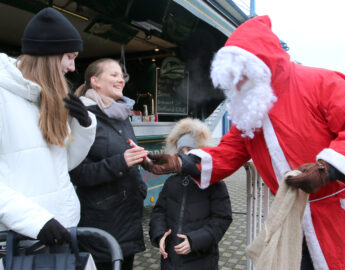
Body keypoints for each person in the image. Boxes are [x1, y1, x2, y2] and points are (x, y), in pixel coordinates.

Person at [142, 15, 345, 270]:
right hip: (295, 219)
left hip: (342, 211)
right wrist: (179, 162)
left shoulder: (319, 81)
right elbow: (228, 152)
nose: (236, 82)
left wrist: (326, 169)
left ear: (259, 65)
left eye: (240, 72)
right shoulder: (250, 110)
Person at [0, 7, 96, 246]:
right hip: (20, 241)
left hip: (60, 233)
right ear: (49, 55)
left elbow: (64, 165)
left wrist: (84, 128)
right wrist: (35, 221)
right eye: (70, 56)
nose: (73, 67)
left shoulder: (50, 101)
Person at [69, 58, 148, 270]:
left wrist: (144, 166)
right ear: (95, 81)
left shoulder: (121, 114)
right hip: (102, 223)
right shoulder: (82, 117)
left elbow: (129, 154)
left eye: (121, 75)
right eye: (113, 74)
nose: (120, 79)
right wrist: (119, 163)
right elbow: (77, 173)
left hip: (128, 218)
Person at [149, 118, 232, 270]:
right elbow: (159, 212)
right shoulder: (171, 182)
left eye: (190, 150)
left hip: (201, 259)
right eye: (181, 152)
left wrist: (195, 240)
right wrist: (160, 235)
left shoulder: (214, 183)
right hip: (171, 260)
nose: (185, 156)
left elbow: (222, 218)